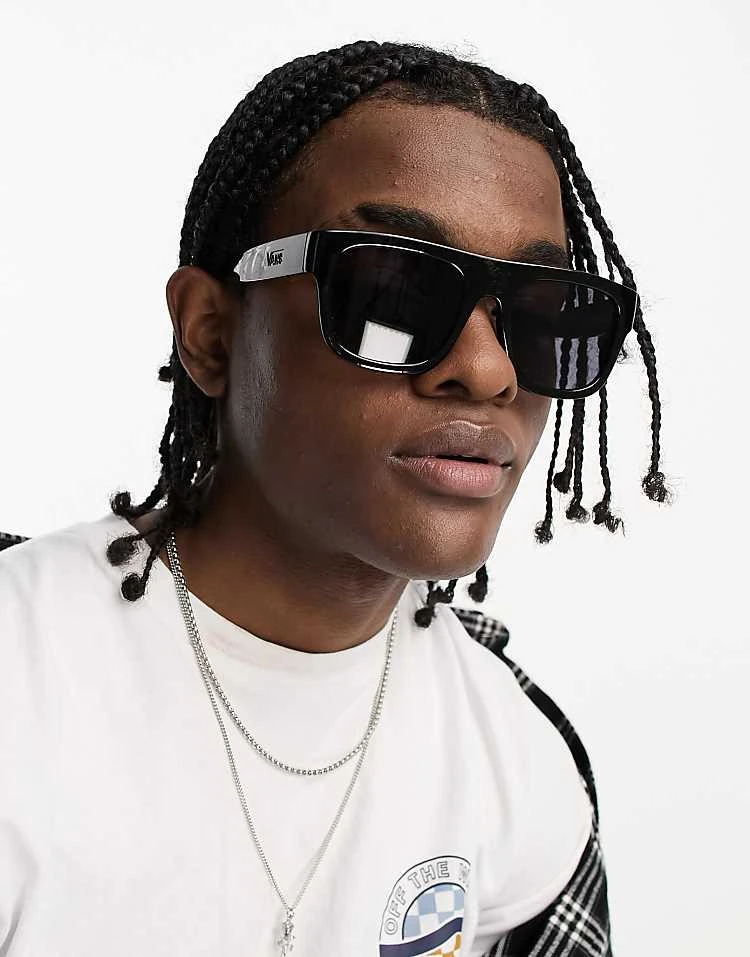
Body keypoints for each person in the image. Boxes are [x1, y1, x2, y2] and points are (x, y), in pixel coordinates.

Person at [0, 39, 669, 956]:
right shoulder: (23, 674)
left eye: (545, 311)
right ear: (211, 334)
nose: (487, 371)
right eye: (395, 290)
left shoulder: (519, 765)